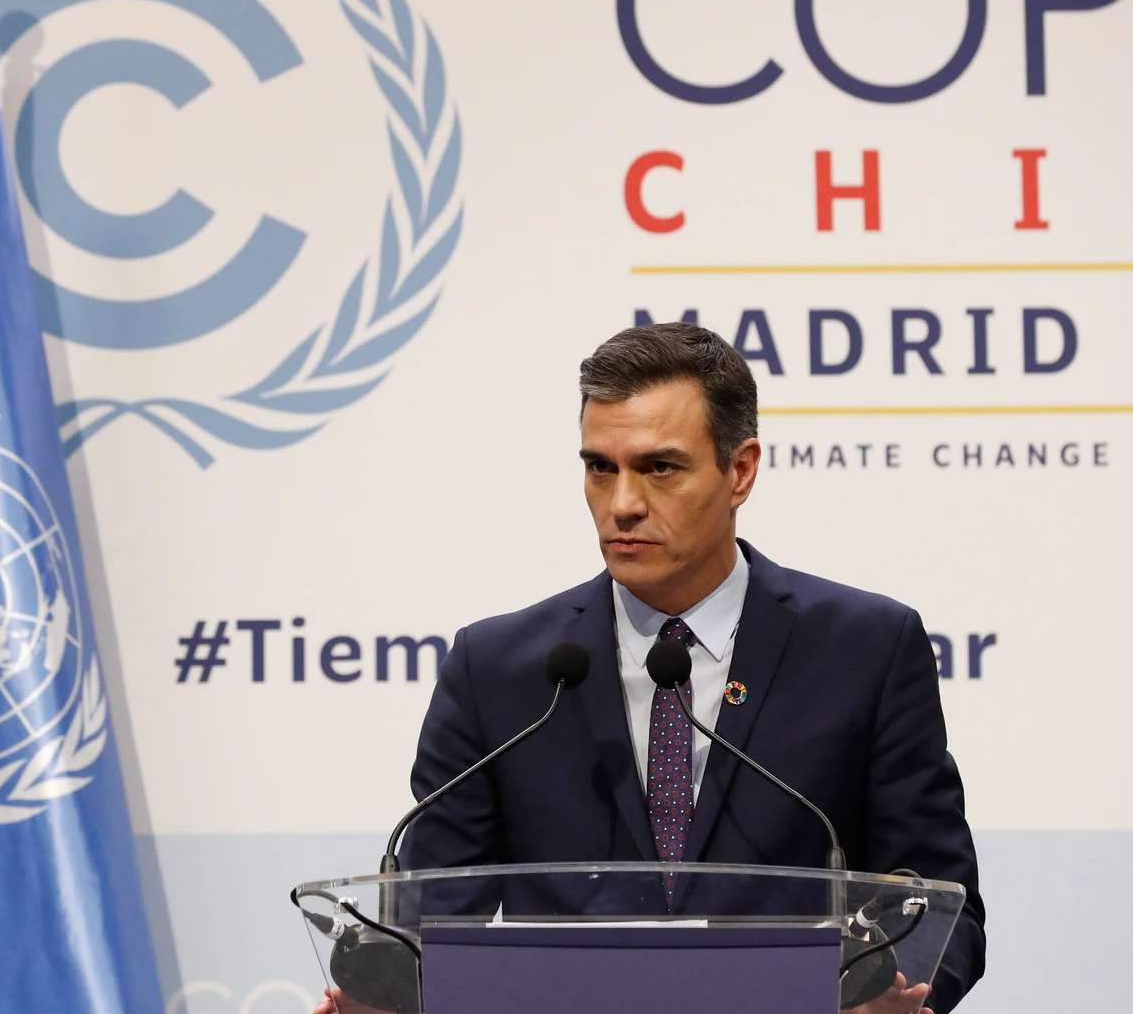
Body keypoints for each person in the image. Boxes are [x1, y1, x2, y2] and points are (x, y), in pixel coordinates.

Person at [316, 322, 983, 1014]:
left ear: (741, 470)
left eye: (658, 467)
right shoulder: (498, 673)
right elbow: (430, 924)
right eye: (600, 466)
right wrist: (388, 997)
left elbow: (938, 901)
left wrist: (897, 997)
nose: (623, 502)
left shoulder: (865, 649)